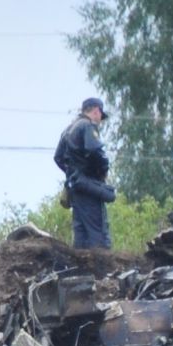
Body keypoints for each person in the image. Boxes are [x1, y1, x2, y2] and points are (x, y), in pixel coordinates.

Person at [54, 98, 115, 250]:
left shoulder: (68, 129)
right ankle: (101, 270)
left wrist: (73, 173)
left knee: (80, 233)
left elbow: (58, 157)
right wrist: (101, 171)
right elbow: (95, 150)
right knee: (98, 234)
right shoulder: (87, 126)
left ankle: (80, 270)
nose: (100, 120)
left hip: (75, 188)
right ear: (96, 111)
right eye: (101, 115)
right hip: (89, 187)